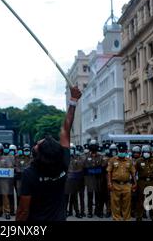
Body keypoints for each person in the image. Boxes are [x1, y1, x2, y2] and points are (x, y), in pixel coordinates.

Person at [16, 86, 82, 221]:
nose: (36, 144)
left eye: (37, 145)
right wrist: (73, 100)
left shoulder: (30, 173)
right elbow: (66, 128)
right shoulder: (62, 162)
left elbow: (23, 211)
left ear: (38, 155)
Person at [107, 143, 137, 221]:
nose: (121, 152)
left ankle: (126, 219)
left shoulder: (129, 161)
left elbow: (133, 173)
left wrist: (135, 183)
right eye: (120, 150)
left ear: (126, 151)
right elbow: (109, 172)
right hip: (115, 184)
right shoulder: (112, 160)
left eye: (123, 150)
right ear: (118, 151)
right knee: (115, 204)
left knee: (127, 204)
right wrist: (109, 183)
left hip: (126, 185)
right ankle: (116, 219)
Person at [0, 142, 15, 219]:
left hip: (4, 181)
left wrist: (7, 169)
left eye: (0, 150)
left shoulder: (6, 158)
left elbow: (10, 167)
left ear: (2, 150)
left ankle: (7, 211)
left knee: (5, 196)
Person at [135, 145, 153, 221]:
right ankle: (139, 216)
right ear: (142, 152)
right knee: (140, 200)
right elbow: (134, 172)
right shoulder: (138, 160)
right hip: (141, 182)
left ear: (150, 153)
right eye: (145, 152)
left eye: (148, 152)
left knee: (152, 200)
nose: (146, 153)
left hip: (152, 181)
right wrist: (134, 182)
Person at [83, 139, 104, 218]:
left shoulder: (100, 156)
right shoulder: (86, 156)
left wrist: (93, 168)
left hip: (98, 179)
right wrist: (95, 168)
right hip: (90, 179)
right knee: (90, 196)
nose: (93, 148)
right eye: (92, 146)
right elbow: (85, 166)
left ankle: (98, 211)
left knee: (98, 196)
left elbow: (103, 165)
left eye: (95, 146)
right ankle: (90, 212)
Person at [64, 143, 84, 219]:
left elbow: (80, 168)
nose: (71, 151)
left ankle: (77, 212)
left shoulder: (77, 158)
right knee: (66, 198)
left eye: (72, 149)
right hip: (66, 181)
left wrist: (74, 158)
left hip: (74, 181)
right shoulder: (64, 158)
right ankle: (65, 212)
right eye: (70, 149)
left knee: (74, 198)